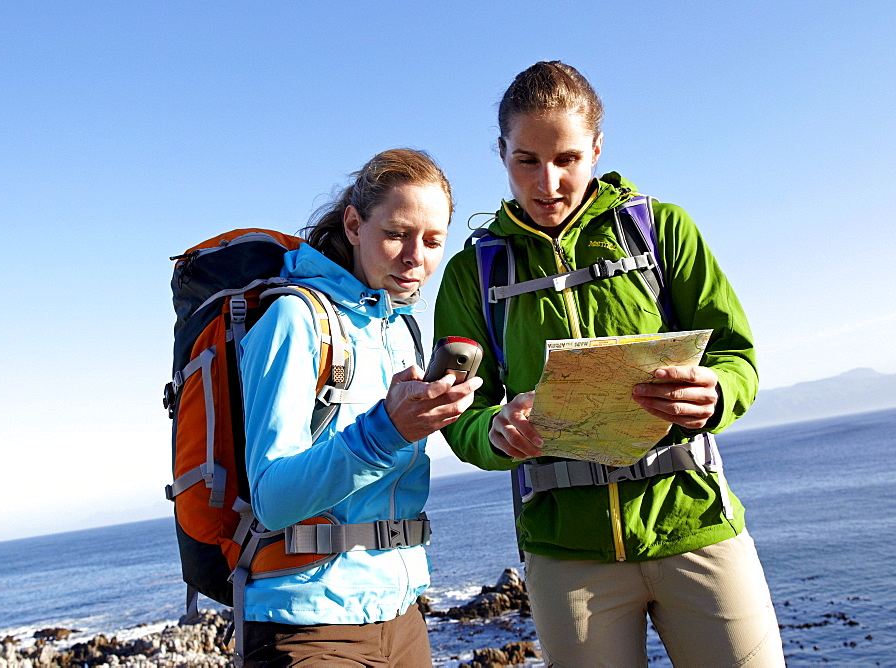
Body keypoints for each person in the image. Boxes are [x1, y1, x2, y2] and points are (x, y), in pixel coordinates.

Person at [433, 62, 784, 666]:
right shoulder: (474, 272)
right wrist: (493, 431)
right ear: (501, 153)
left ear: (596, 148)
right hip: (565, 554)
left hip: (695, 525)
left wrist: (717, 392)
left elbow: (737, 357)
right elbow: (457, 410)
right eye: (526, 160)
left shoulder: (662, 231)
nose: (548, 182)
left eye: (567, 158)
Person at [238, 148, 482, 666]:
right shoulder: (295, 320)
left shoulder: (400, 328)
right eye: (396, 234)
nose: (416, 257)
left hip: (404, 615)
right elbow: (272, 498)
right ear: (353, 224)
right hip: (307, 625)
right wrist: (385, 432)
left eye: (433, 240)